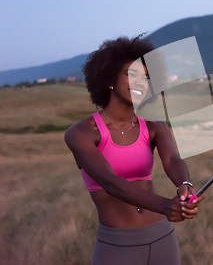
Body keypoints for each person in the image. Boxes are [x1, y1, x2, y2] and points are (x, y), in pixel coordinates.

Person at [64, 34, 204, 265]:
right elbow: (110, 183)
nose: (140, 82)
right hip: (116, 245)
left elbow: (171, 160)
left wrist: (184, 185)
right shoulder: (82, 133)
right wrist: (165, 205)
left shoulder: (155, 128)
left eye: (146, 77)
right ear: (109, 78)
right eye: (131, 74)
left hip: (162, 237)